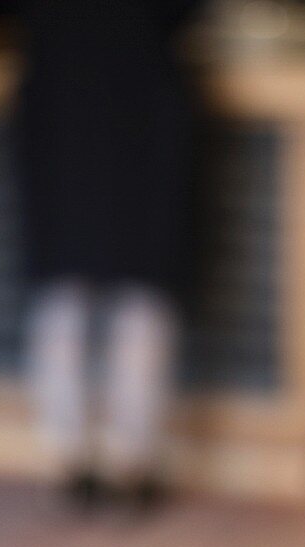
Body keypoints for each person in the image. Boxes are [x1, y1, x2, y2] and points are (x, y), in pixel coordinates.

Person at [13, 1, 201, 503]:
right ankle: (130, 467)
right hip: (141, 108)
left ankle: (69, 462)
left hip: (62, 107)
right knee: (142, 292)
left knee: (65, 293)